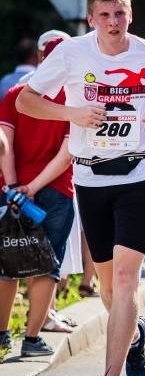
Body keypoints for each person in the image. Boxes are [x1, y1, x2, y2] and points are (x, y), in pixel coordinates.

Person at [16, 0, 145, 376]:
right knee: (110, 290)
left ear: (130, 14)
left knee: (127, 281)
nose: (114, 22)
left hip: (139, 173)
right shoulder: (71, 54)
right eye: (105, 15)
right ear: (91, 19)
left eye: (121, 13)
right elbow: (27, 103)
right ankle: (135, 337)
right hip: (90, 178)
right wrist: (72, 113)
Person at [0, 36, 74, 358]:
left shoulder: (17, 95)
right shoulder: (73, 99)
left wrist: (17, 186)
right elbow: (67, 153)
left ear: (42, 56)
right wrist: (36, 186)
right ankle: (32, 340)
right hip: (56, 191)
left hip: (12, 192)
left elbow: (4, 143)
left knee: (7, 264)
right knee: (48, 266)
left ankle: (1, 335)